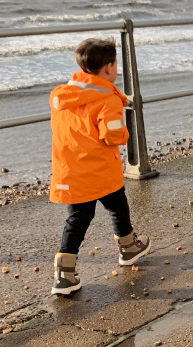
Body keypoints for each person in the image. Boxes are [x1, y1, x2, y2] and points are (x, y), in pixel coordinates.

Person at [49, 38, 150, 296]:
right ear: (108, 68)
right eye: (115, 65)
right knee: (117, 206)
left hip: (70, 171)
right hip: (101, 171)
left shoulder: (64, 97)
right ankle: (128, 247)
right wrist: (124, 133)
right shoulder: (107, 99)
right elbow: (112, 136)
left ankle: (64, 274)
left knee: (78, 218)